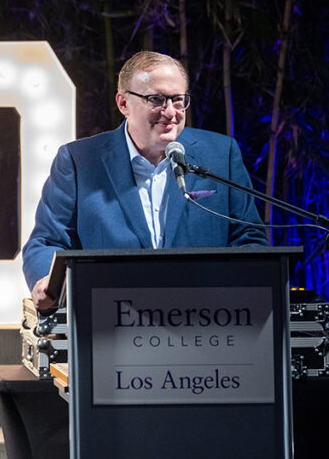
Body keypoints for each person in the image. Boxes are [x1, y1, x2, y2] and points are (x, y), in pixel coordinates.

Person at [22, 51, 268, 310]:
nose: (171, 112)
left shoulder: (220, 154)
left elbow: (248, 236)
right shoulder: (79, 161)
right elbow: (47, 242)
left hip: (208, 320)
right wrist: (45, 281)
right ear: (123, 103)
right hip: (109, 322)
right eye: (157, 99)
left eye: (178, 100)